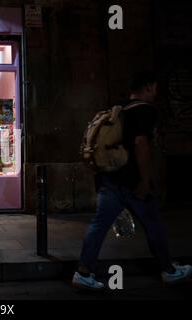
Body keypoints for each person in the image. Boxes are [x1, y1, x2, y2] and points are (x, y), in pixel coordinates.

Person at [72, 70, 192, 291]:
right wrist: (144, 180)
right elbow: (140, 144)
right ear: (147, 86)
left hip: (109, 178)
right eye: (154, 87)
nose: (156, 91)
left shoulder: (121, 108)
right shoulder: (145, 111)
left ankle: (83, 272)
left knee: (98, 225)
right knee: (154, 223)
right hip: (131, 180)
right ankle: (169, 270)